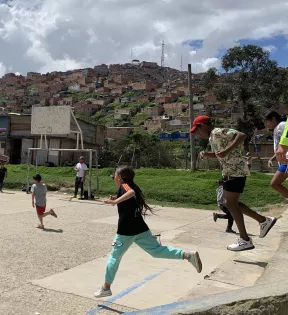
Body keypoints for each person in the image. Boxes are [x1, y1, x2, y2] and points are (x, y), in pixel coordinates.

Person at [94, 166, 202, 298]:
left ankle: (106, 288)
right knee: (156, 251)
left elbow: (131, 193)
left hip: (126, 231)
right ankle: (188, 255)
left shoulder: (126, 186)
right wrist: (117, 198)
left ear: (121, 178)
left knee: (114, 257)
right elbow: (129, 196)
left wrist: (115, 201)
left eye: (114, 176)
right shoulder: (127, 186)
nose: (113, 178)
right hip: (140, 228)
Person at [192, 115, 277, 251]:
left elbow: (241, 135)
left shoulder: (217, 131)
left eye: (197, 129)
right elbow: (221, 154)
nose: (197, 133)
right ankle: (263, 221)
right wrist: (208, 154)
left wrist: (227, 150)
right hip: (230, 172)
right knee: (231, 203)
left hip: (235, 171)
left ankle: (245, 239)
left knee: (229, 203)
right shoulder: (212, 137)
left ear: (204, 125)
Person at [265, 111, 288, 200]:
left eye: (267, 122)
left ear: (273, 119)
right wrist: (272, 159)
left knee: (275, 183)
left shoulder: (282, 125)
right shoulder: (277, 128)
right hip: (284, 160)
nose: (266, 124)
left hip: (286, 160)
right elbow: (281, 147)